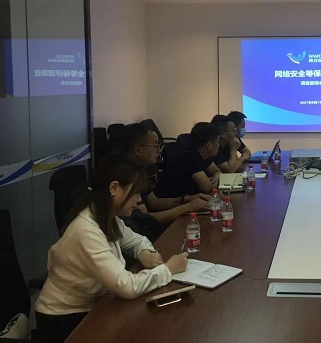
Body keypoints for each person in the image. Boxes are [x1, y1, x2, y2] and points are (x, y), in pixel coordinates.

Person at [35, 152, 188, 343]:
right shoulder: (86, 230)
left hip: (95, 305)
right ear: (114, 188)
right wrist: (168, 269)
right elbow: (126, 286)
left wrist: (143, 252)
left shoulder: (106, 217)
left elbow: (137, 240)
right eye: (135, 193)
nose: (138, 200)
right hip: (65, 320)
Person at [123, 123, 211, 224]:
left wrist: (186, 199)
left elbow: (154, 203)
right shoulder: (126, 175)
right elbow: (142, 221)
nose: (159, 151)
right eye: (156, 146)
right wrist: (187, 207)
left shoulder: (141, 170)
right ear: (138, 150)